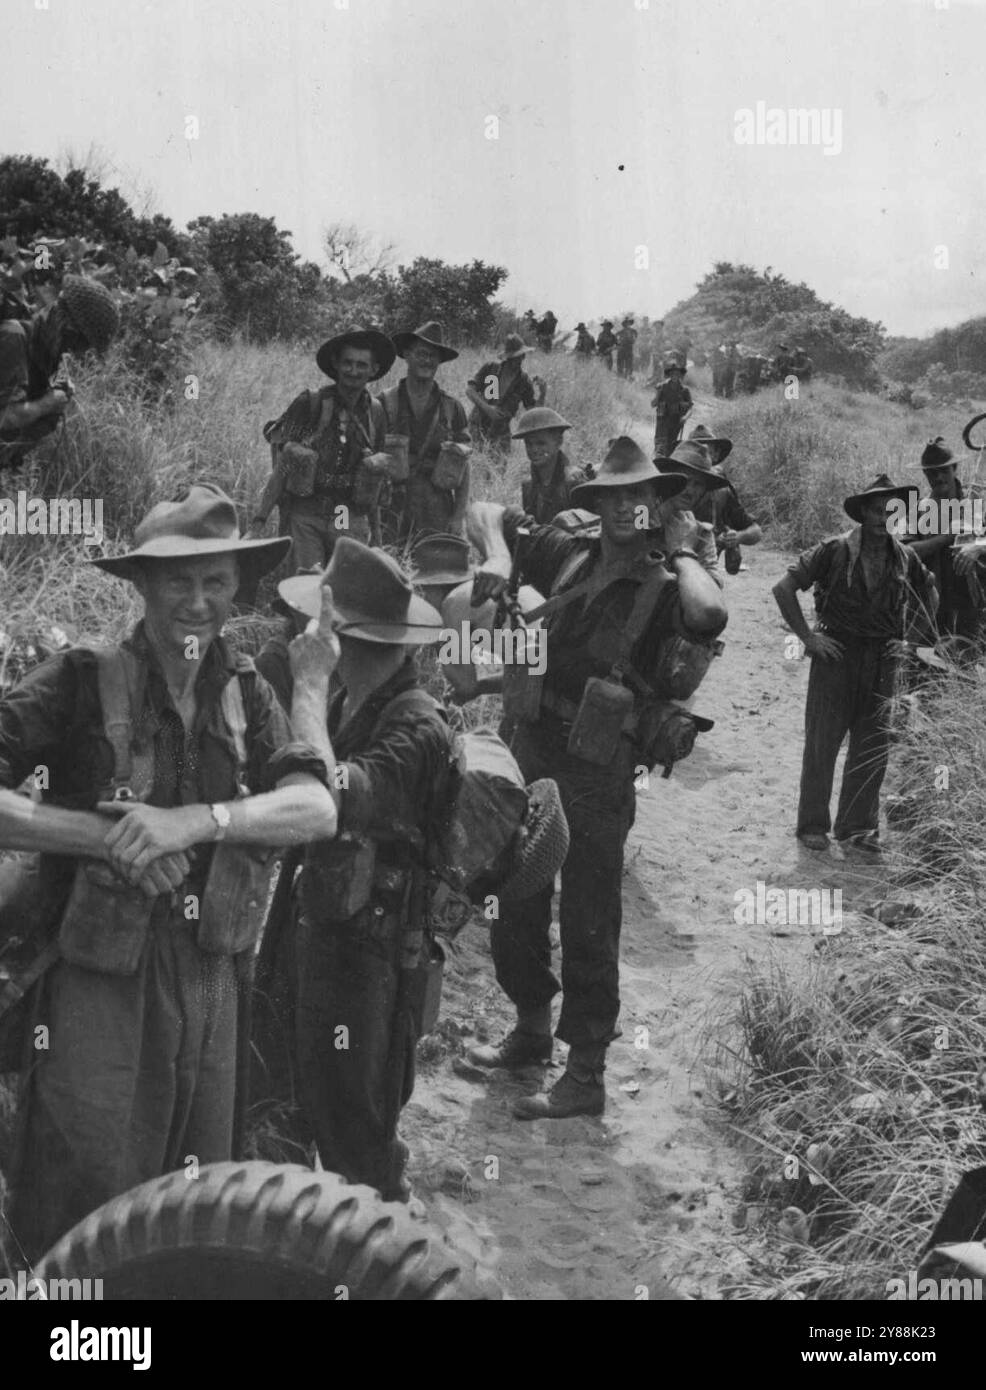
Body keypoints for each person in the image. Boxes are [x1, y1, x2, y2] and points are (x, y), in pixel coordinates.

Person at [0, 484, 337, 1263]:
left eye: (215, 581)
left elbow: (317, 810)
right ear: (143, 587)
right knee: (85, 1182)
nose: (197, 602)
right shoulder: (80, 680)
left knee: (194, 1198)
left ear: (236, 589)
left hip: (212, 978)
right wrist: (100, 837)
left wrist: (197, 822)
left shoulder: (248, 692)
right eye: (178, 582)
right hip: (100, 978)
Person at [464, 437, 727, 1118]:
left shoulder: (668, 587)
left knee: (588, 918)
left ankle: (583, 1073)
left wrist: (686, 546)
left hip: (597, 771)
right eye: (613, 496)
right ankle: (528, 1026)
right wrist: (497, 555)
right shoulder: (565, 552)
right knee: (512, 894)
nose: (624, 509)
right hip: (531, 750)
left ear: (658, 509)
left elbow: (711, 616)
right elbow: (486, 508)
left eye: (639, 497)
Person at [266, 540, 456, 1202]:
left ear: (339, 636)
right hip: (323, 940)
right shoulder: (359, 705)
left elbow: (328, 800)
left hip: (369, 966)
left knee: (356, 1139)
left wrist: (310, 683)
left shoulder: (417, 731)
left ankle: (382, 1266)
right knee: (299, 1111)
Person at [772, 474, 938, 856]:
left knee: (873, 745)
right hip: (837, 657)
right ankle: (813, 825)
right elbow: (783, 588)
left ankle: (857, 827)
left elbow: (929, 592)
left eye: (892, 511)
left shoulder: (905, 557)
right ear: (863, 512)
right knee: (822, 743)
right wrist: (808, 638)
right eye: (877, 510)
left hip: (882, 661)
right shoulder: (833, 551)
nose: (884, 518)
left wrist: (911, 642)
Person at [252, 326, 396, 567]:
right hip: (307, 514)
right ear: (336, 364)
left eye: (362, 365)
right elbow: (283, 463)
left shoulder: (376, 413)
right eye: (348, 363)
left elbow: (374, 477)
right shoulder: (310, 403)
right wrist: (258, 523)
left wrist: (377, 543)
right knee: (303, 589)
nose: (353, 371)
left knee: (344, 592)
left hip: (348, 516)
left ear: (374, 370)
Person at [0, 274, 120, 468]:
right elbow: (6, 417)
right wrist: (47, 403)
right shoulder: (14, 339)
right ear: (64, 323)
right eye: (78, 343)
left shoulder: (46, 352)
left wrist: (58, 392)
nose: (77, 354)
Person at [377, 321, 471, 544]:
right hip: (391, 508)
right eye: (421, 354)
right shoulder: (383, 403)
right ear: (407, 355)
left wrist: (458, 517)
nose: (427, 361)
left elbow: (464, 466)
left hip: (436, 509)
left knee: (436, 574)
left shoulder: (452, 408)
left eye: (433, 356)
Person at [904, 437, 986, 660]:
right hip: (931, 607)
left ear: (954, 468)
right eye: (931, 473)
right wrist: (946, 537)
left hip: (974, 607)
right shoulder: (919, 509)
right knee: (925, 675)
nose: (938, 477)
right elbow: (906, 553)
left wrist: (977, 546)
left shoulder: (976, 501)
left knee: (968, 675)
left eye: (943, 470)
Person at [687, 425, 763, 574]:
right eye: (696, 450)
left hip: (703, 576)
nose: (701, 455)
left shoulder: (721, 492)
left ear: (715, 456)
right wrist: (640, 529)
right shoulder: (668, 484)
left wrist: (737, 538)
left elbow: (756, 532)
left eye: (706, 451)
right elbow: (641, 512)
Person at [466, 334, 544, 459]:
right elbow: (470, 390)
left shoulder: (524, 381)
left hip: (500, 432)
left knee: (498, 470)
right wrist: (488, 409)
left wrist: (543, 392)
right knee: (474, 464)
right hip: (478, 425)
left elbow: (533, 411)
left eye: (521, 356)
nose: (519, 360)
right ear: (508, 357)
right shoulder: (491, 368)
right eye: (516, 357)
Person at [512, 406, 586, 525]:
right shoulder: (528, 485)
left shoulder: (573, 481)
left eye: (541, 443)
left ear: (558, 442)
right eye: (529, 444)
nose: (534, 449)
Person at [652, 361, 693, 458]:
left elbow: (690, 408)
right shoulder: (662, 387)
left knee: (671, 446)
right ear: (669, 375)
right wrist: (658, 394)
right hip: (663, 420)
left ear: (680, 375)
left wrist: (685, 418)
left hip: (676, 421)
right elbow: (653, 404)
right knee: (660, 446)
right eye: (673, 373)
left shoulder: (685, 390)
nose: (675, 375)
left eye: (677, 374)